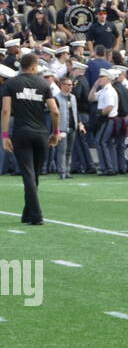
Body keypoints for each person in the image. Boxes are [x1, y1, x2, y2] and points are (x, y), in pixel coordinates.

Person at [0, 51, 60, 224]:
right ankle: (28, 213)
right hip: (41, 133)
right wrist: (55, 133)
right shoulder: (44, 84)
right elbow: (55, 111)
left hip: (21, 133)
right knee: (35, 176)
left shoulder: (11, 83)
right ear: (34, 66)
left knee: (28, 175)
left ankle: (35, 215)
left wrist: (4, 135)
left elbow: (5, 111)